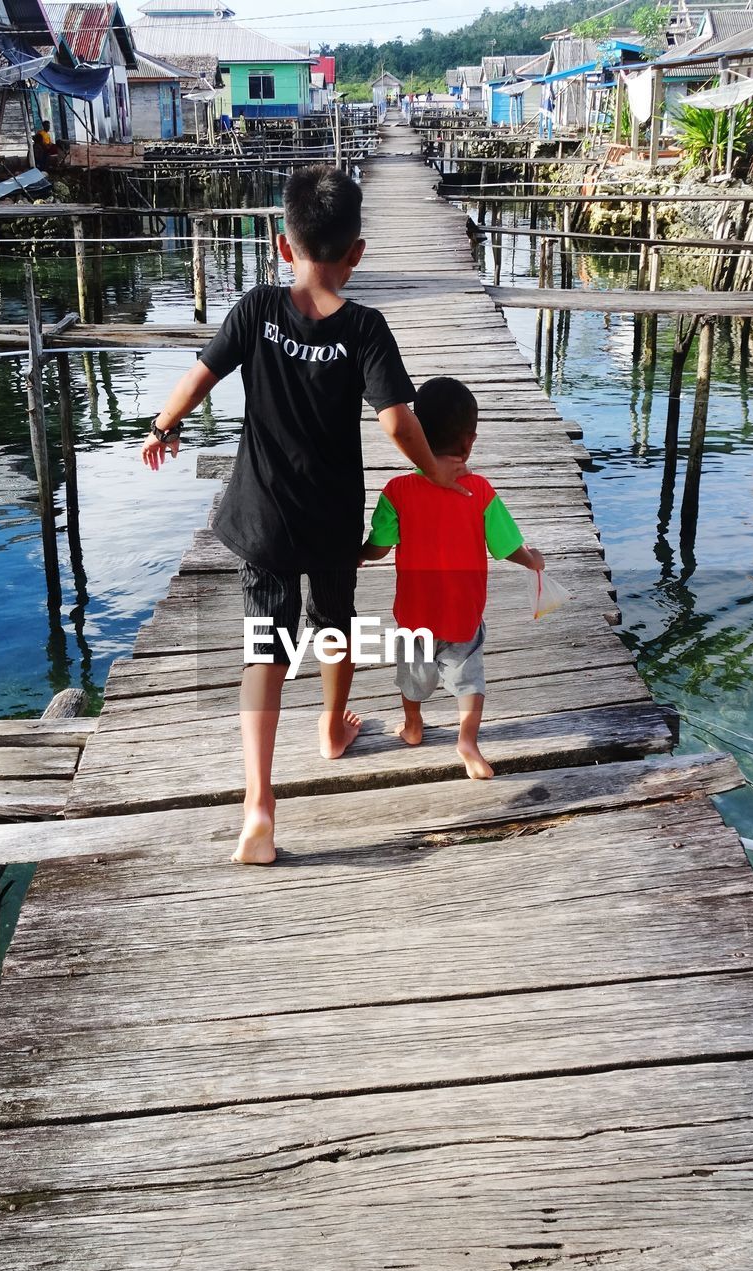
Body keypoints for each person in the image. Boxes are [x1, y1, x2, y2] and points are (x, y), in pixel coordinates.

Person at [140, 166, 466, 864]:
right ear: (357, 253)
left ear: (283, 247)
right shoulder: (366, 328)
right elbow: (396, 421)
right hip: (330, 520)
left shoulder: (256, 309)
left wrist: (163, 426)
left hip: (261, 516)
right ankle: (329, 729)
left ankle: (259, 802)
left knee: (264, 647)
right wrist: (433, 471)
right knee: (334, 623)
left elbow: (201, 375)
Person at [362, 377, 545, 781]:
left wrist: (355, 555)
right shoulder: (479, 492)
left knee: (412, 678)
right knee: (469, 682)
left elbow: (378, 547)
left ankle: (413, 726)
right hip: (462, 616)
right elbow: (507, 547)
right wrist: (531, 560)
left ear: (417, 437)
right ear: (469, 442)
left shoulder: (397, 491)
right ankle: (467, 742)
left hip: (415, 616)